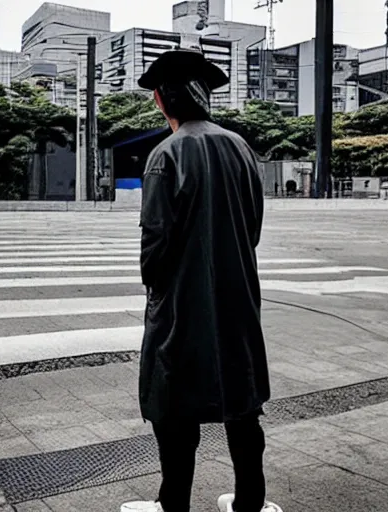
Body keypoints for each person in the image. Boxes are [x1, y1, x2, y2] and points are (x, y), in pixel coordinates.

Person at [120, 49, 282, 512]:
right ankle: (250, 502)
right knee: (242, 399)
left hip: (180, 302)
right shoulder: (241, 148)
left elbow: (155, 241)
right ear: (204, 97)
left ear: (160, 100)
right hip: (237, 296)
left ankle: (174, 504)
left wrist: (157, 286)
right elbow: (251, 227)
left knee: (173, 403)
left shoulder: (166, 154)